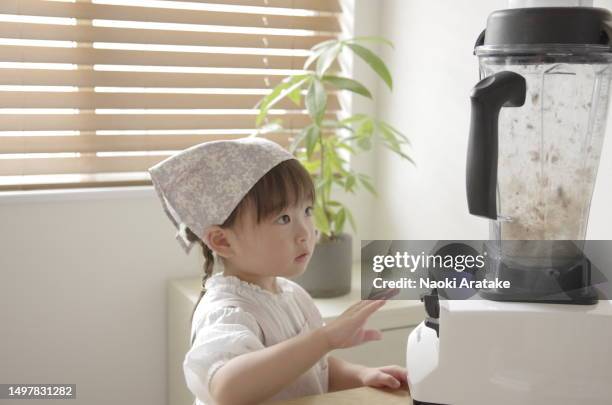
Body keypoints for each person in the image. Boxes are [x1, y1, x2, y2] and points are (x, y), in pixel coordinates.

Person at [149, 137, 407, 405]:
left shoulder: (291, 294)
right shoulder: (228, 311)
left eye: (307, 210)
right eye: (283, 218)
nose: (306, 232)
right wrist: (325, 338)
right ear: (222, 241)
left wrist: (363, 376)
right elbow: (227, 388)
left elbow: (308, 369)